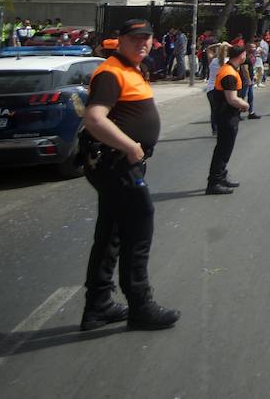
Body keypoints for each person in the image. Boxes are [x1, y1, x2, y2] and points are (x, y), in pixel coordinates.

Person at [78, 19, 180, 331]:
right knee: (139, 225)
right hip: (118, 164)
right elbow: (95, 119)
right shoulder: (111, 72)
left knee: (111, 233)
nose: (143, 44)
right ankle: (140, 305)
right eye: (135, 38)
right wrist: (131, 147)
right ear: (120, 40)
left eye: (147, 38)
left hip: (118, 164)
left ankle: (99, 305)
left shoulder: (130, 68)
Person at [206, 45, 250, 195]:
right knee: (223, 149)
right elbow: (231, 99)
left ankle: (221, 176)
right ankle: (214, 182)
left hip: (228, 116)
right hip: (226, 116)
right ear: (241, 55)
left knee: (224, 149)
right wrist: (245, 104)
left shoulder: (230, 69)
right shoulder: (229, 73)